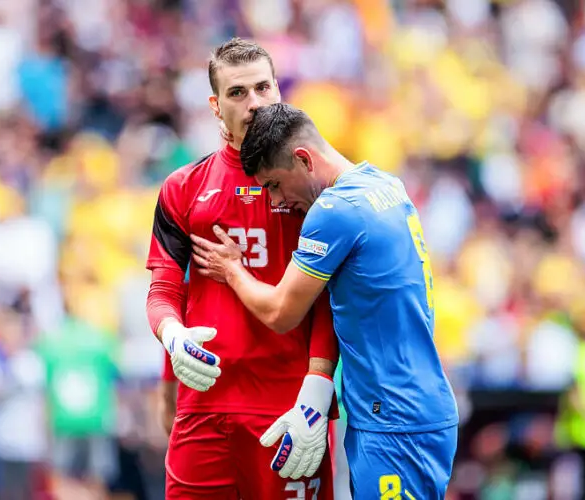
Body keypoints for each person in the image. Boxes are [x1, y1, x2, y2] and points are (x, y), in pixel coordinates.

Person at [191, 103, 459, 499]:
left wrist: (232, 268)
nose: (277, 202)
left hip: (394, 419)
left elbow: (281, 312)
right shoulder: (385, 185)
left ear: (303, 159)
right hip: (414, 406)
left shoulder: (335, 211)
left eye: (274, 185)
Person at [145, 40, 339, 499]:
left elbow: (331, 301)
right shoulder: (183, 188)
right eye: (237, 93)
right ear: (215, 105)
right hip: (204, 408)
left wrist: (316, 393)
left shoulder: (312, 184)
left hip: (288, 411)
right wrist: (172, 338)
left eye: (263, 88)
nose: (254, 103)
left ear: (279, 92)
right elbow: (164, 289)